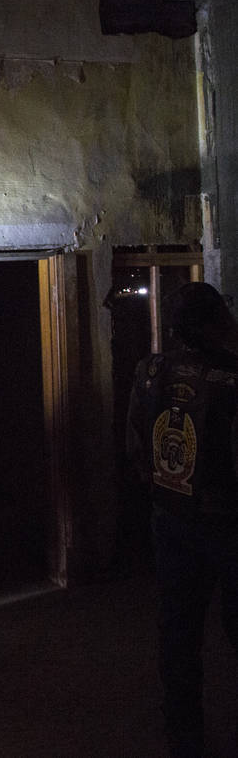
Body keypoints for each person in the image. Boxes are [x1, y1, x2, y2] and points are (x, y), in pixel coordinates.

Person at [126, 282, 238, 757]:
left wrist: (160, 491)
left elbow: (136, 444)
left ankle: (183, 734)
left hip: (170, 517)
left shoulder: (151, 370)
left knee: (177, 632)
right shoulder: (232, 376)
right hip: (228, 523)